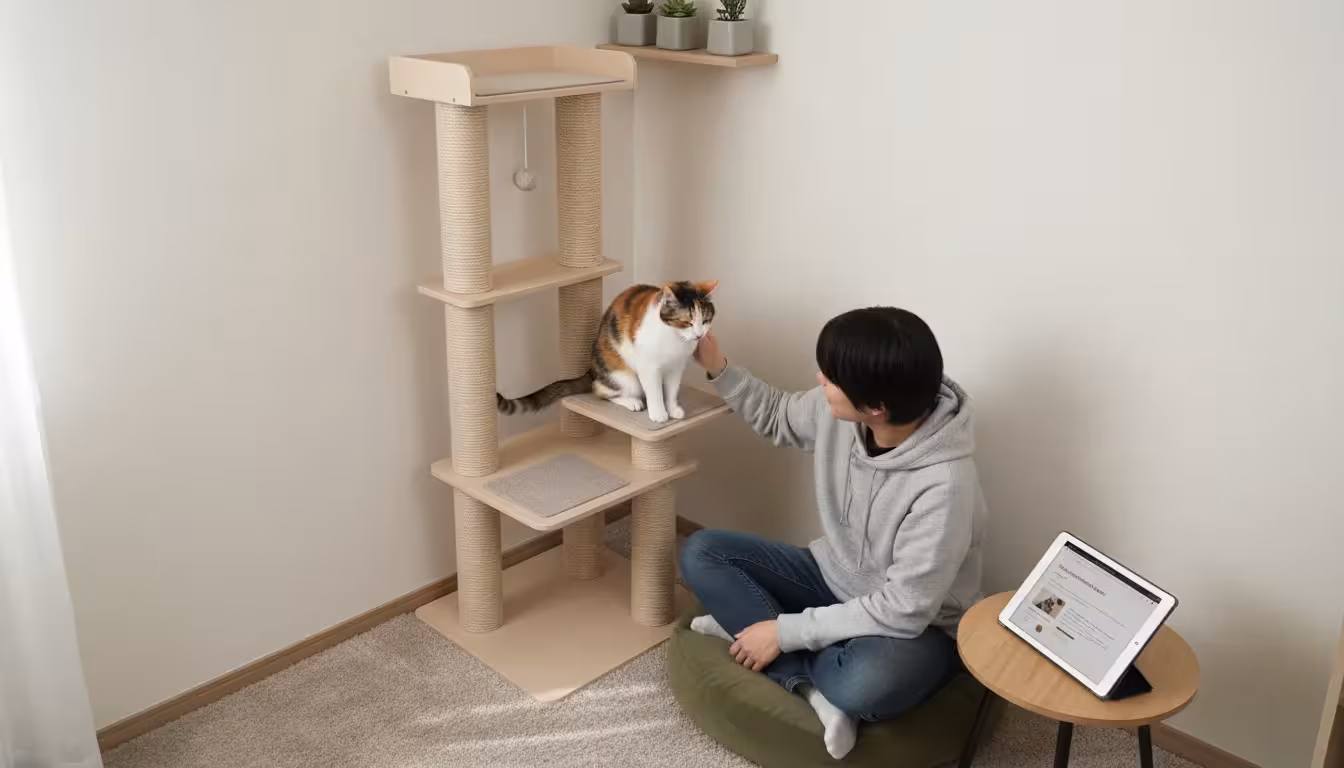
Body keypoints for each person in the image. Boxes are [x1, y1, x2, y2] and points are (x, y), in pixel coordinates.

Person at [681, 307, 987, 759]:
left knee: (864, 685)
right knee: (702, 551)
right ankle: (809, 686)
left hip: (915, 627)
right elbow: (777, 414)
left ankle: (755, 636)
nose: (820, 379)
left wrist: (783, 633)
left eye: (831, 376)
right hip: (830, 578)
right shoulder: (847, 409)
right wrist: (715, 365)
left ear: (876, 408)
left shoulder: (945, 488)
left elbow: (904, 611)